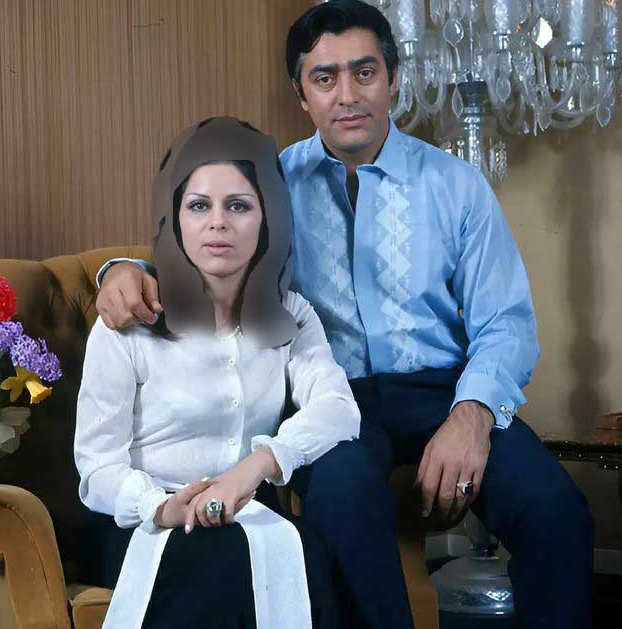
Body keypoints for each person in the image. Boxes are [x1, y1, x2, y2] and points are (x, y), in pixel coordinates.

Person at [94, 2, 594, 628]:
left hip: (448, 390)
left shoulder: (456, 184)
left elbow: (507, 324)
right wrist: (118, 269)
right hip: (333, 396)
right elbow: (199, 249)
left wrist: (471, 416)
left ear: (393, 79)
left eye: (365, 72)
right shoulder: (272, 184)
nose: (348, 95)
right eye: (325, 78)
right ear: (301, 94)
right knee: (343, 501)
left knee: (557, 512)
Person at [74, 116, 360, 629]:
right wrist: (162, 507)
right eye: (199, 205)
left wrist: (251, 470)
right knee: (220, 567)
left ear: (268, 218)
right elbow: (96, 471)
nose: (218, 223)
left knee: (310, 556)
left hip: (247, 511)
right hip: (141, 520)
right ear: (175, 218)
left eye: (239, 206)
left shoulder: (292, 315)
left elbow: (338, 409)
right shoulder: (127, 323)